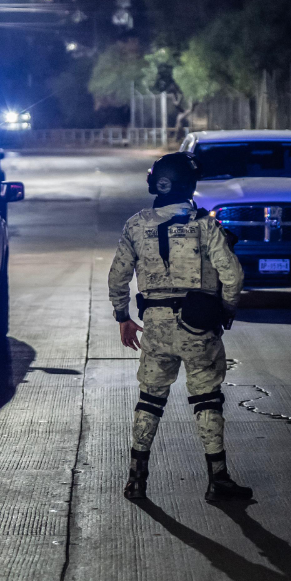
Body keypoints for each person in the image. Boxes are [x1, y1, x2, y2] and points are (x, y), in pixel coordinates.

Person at [108, 152, 251, 502]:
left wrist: (123, 317)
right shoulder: (205, 225)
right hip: (198, 324)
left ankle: (136, 480)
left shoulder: (136, 225)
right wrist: (227, 310)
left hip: (154, 325)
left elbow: (118, 277)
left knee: (150, 399)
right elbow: (232, 275)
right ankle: (218, 479)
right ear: (190, 184)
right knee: (207, 399)